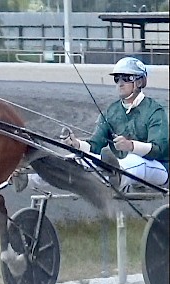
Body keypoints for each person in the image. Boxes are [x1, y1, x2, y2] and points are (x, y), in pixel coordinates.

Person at [62, 56, 169, 190]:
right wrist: (77, 144)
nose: (120, 83)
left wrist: (130, 146)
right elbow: (95, 145)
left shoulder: (155, 110)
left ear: (140, 82)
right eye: (117, 78)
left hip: (158, 167)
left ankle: (116, 174)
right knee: (74, 159)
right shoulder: (110, 112)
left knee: (134, 161)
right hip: (117, 165)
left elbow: (158, 150)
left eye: (127, 78)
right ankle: (34, 177)